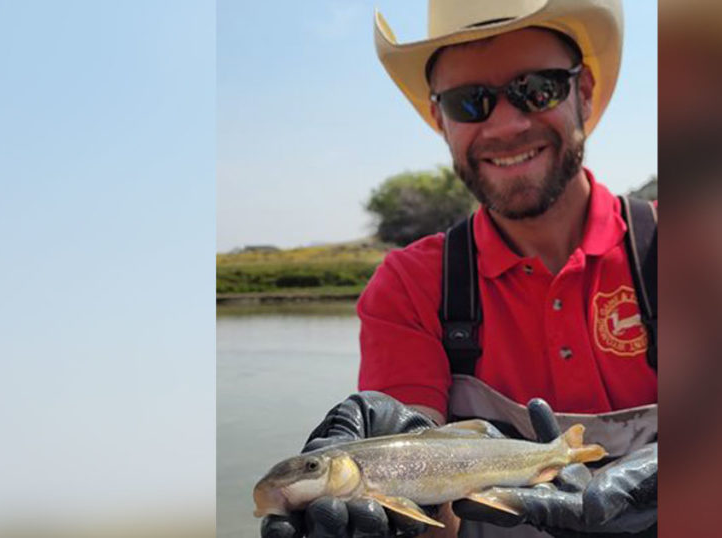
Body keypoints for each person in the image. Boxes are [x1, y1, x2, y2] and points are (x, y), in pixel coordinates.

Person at [262, 1, 657, 537]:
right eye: (470, 102)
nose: (507, 124)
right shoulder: (407, 289)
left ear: (583, 90)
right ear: (438, 116)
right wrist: (402, 515)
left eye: (537, 88)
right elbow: (438, 525)